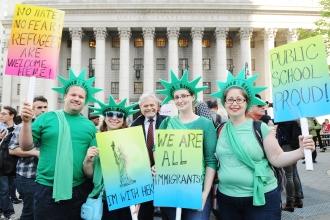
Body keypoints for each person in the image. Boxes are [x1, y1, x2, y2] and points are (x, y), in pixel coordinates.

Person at [211, 69, 315, 220]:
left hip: (262, 198)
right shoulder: (220, 129)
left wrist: (300, 151)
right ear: (224, 103)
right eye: (230, 100)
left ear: (247, 103)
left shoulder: (260, 128)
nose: (234, 103)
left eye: (239, 100)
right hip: (227, 199)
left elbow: (277, 158)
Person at [19, 69, 101, 220]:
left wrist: (89, 161)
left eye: (81, 96)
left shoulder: (90, 127)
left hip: (78, 190)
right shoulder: (47, 118)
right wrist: (26, 123)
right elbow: (25, 146)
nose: (77, 98)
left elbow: (90, 169)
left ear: (85, 101)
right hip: (47, 189)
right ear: (65, 96)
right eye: (73, 95)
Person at [156, 69, 217, 220]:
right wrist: (157, 165)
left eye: (184, 96)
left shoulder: (205, 124)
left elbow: (211, 160)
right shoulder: (167, 122)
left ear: (193, 97)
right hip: (170, 188)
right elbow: (157, 150)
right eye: (176, 97)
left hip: (196, 188)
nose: (180, 100)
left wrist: (205, 193)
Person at [84, 95, 139, 220]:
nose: (114, 118)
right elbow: (89, 174)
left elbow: (138, 172)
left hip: (126, 198)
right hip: (104, 198)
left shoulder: (132, 139)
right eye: (110, 114)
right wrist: (88, 160)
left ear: (124, 119)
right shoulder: (96, 140)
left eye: (119, 115)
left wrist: (139, 199)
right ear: (105, 117)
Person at [8, 96, 48, 220]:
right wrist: (35, 153)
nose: (43, 110)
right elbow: (12, 149)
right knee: (30, 212)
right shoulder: (23, 126)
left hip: (44, 177)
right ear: (32, 109)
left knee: (40, 211)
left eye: (45, 107)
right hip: (28, 177)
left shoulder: (49, 126)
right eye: (39, 107)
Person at [130, 93, 166, 220]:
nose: (149, 108)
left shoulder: (167, 122)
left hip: (164, 172)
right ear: (140, 108)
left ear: (158, 106)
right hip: (143, 175)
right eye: (145, 106)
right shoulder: (134, 125)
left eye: (152, 105)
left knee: (167, 211)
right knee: (144, 212)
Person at [276, 120, 304, 212]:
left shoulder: (283, 121)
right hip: (294, 147)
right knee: (294, 174)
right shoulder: (294, 121)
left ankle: (290, 203)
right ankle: (298, 200)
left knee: (288, 176)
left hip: (286, 147)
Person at [0, 106, 20, 220]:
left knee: (8, 191)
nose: (1, 116)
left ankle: (2, 211)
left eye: (4, 114)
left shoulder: (18, 129)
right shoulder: (0, 128)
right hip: (1, 165)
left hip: (13, 166)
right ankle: (9, 213)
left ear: (12, 115)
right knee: (4, 190)